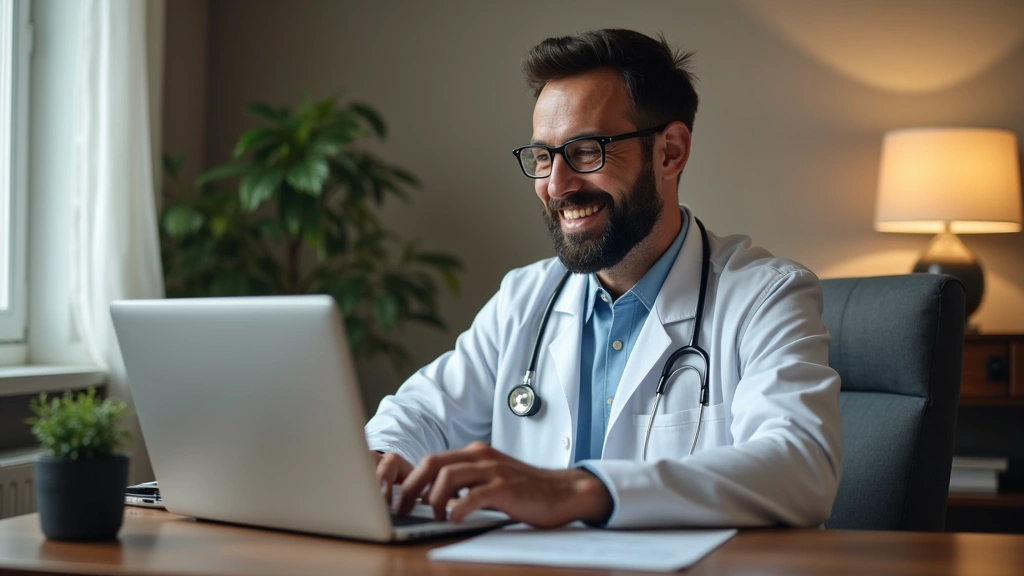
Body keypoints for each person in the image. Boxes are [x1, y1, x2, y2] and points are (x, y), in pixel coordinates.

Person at [365, 28, 842, 529]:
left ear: (670, 152)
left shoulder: (765, 296)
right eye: (544, 156)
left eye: (587, 151)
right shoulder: (525, 297)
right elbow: (420, 413)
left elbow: (801, 465)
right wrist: (382, 458)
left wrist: (573, 489)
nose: (555, 185)